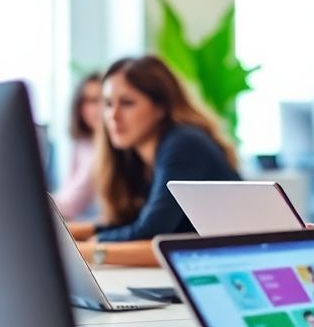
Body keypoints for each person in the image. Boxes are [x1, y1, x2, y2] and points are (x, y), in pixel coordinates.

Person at [68, 56, 241, 266]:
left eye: (127, 103)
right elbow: (133, 221)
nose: (113, 115)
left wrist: (89, 247)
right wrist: (74, 232)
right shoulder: (135, 156)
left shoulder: (183, 144)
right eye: (107, 104)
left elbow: (151, 231)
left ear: (161, 107)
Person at [52, 72, 102, 220]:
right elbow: (68, 193)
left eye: (101, 100)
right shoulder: (82, 144)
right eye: (88, 101)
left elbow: (73, 202)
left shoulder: (109, 149)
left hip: (96, 228)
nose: (96, 108)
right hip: (78, 222)